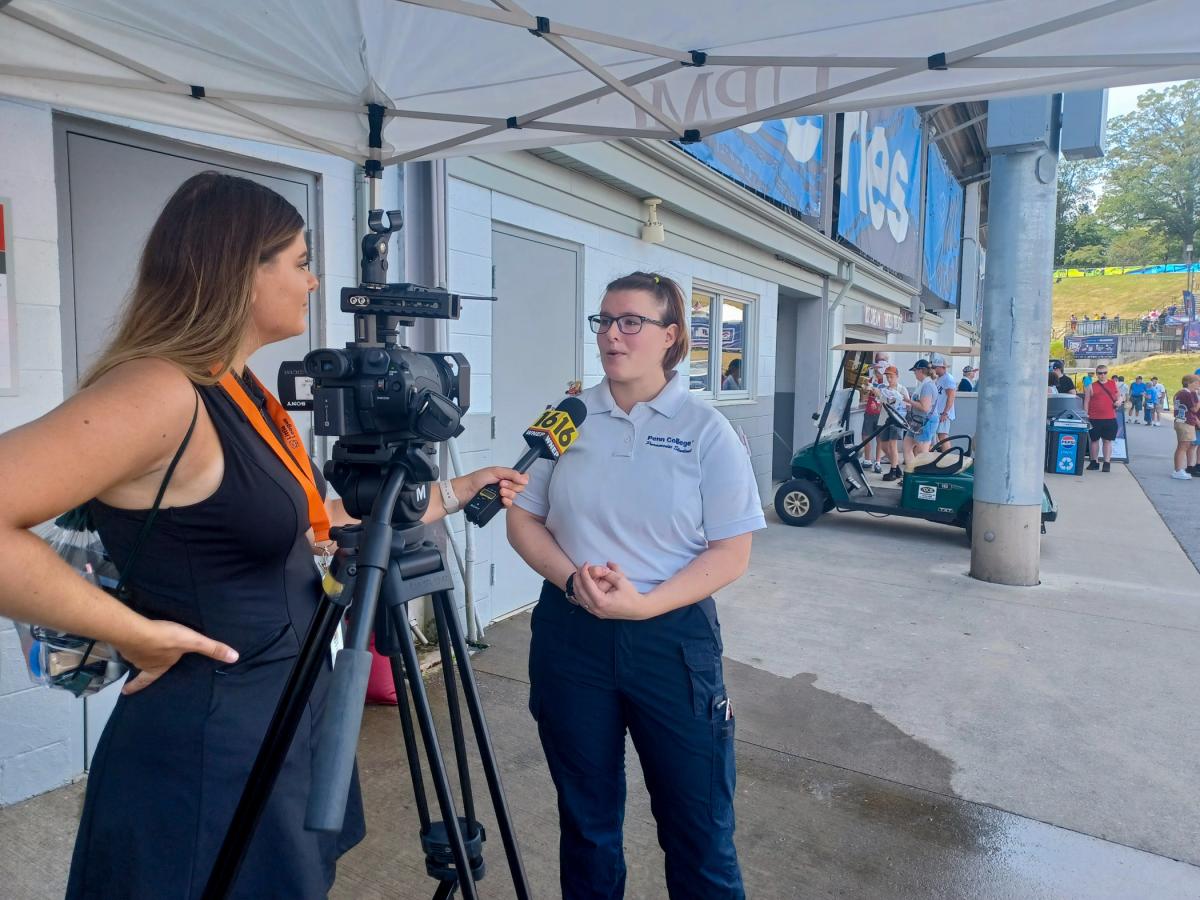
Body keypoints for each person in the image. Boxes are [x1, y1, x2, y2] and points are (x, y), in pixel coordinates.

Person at [0, 172, 528, 899]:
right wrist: (132, 632)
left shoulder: (238, 387)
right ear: (241, 268)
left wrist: (456, 491)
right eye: (301, 260)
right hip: (209, 740)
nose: (314, 282)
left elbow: (311, 526)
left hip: (284, 709)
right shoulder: (161, 391)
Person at [506, 271, 764, 899]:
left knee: (698, 830)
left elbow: (732, 551)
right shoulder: (568, 416)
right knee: (588, 826)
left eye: (630, 322)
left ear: (670, 336)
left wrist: (645, 604)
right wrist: (572, 579)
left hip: (671, 641)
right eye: (604, 321)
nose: (611, 335)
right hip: (572, 635)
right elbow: (522, 516)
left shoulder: (707, 430)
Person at [876, 366, 910, 482]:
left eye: (891, 376)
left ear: (897, 377)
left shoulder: (902, 389)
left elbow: (907, 404)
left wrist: (898, 399)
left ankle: (893, 470)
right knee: (884, 445)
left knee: (892, 445)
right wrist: (878, 395)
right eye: (888, 377)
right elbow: (881, 403)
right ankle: (896, 466)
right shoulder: (884, 388)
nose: (889, 379)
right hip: (885, 419)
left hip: (896, 419)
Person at [1085, 365, 1120, 471]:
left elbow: (1119, 395)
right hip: (1094, 418)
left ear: (1107, 373)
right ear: (1097, 374)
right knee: (1094, 441)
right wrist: (1086, 415)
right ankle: (1094, 462)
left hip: (1110, 417)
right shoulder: (1090, 386)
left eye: (1104, 373)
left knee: (1107, 441)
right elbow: (1086, 401)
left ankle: (1107, 463)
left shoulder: (1113, 383)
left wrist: (1119, 401)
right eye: (1100, 373)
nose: (1102, 375)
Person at [904, 359, 938, 463]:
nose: (914, 374)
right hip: (917, 420)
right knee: (907, 446)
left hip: (925, 422)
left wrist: (908, 401)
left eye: (915, 371)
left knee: (922, 453)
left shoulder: (927, 386)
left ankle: (922, 475)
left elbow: (925, 407)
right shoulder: (924, 384)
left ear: (920, 371)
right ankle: (911, 472)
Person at [1170, 374, 1200, 480]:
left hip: (1182, 421)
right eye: (1197, 382)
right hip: (1185, 422)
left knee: (1184, 446)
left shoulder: (1181, 393)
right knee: (1183, 447)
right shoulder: (1187, 394)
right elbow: (1195, 409)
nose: (1199, 384)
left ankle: (1179, 469)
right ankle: (1178, 470)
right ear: (1189, 383)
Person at [930, 353, 957, 449]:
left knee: (943, 436)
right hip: (938, 412)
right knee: (938, 436)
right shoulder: (939, 378)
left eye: (935, 367)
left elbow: (951, 397)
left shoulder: (948, 379)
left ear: (941, 367)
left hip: (943, 412)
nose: (933, 369)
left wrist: (945, 413)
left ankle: (947, 458)